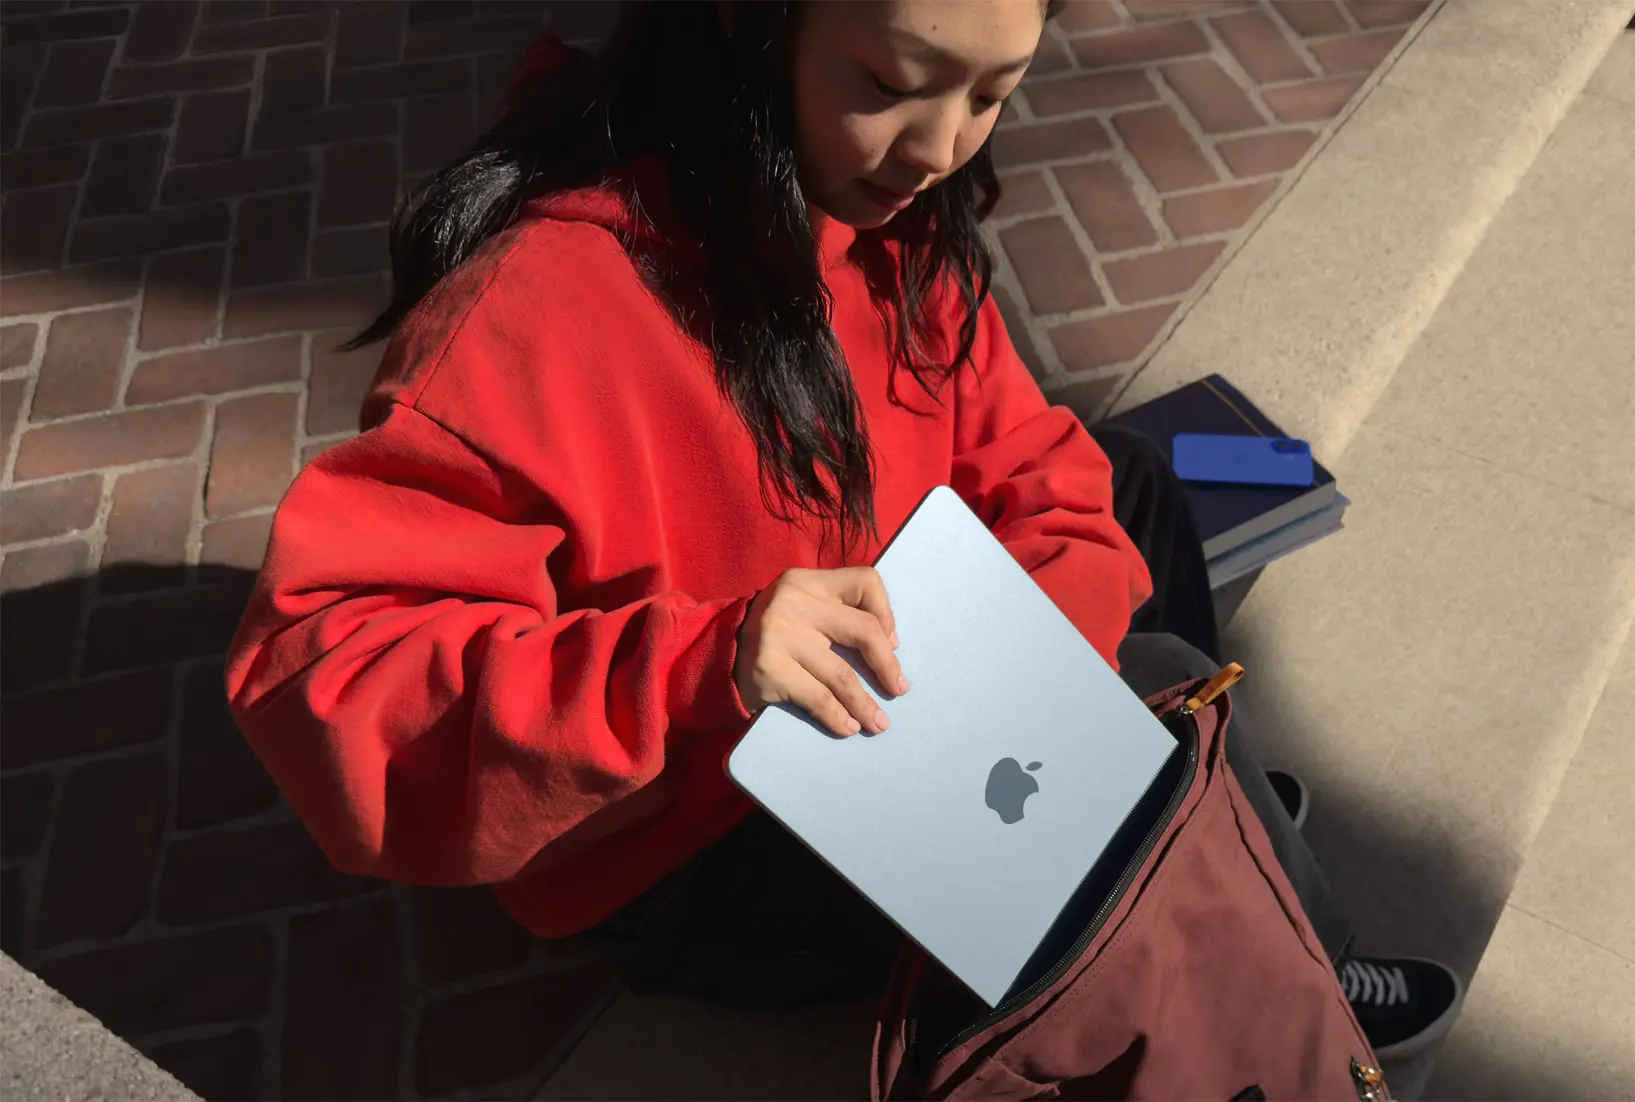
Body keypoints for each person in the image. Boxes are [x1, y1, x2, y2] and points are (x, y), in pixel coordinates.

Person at [224, 0, 1459, 1062]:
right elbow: (326, 676)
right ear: (753, 18)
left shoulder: (892, 224)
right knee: (1156, 684)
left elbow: (1037, 460)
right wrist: (701, 662)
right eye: (888, 84)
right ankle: (1266, 937)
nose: (936, 147)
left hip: (875, 698)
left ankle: (1184, 825)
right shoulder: (537, 309)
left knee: (1136, 491)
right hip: (693, 823)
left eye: (992, 92)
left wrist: (1041, 692)